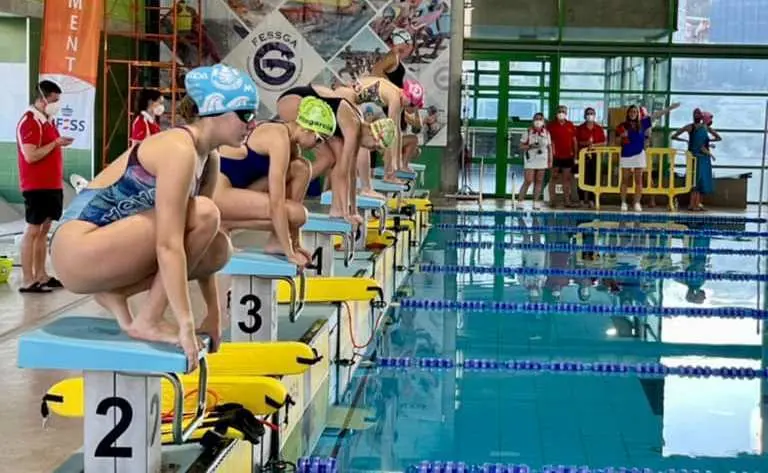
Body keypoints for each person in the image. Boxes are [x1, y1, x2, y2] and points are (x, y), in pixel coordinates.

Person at [50, 63, 259, 368]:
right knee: (204, 214)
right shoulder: (178, 148)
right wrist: (185, 323)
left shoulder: (208, 157)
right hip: (74, 249)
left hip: (109, 247)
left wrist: (213, 315)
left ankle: (117, 293)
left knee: (218, 248)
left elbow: (200, 239)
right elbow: (169, 244)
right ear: (218, 112)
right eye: (247, 114)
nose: (252, 124)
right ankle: (148, 319)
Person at [215, 96, 337, 267]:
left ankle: (277, 242)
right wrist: (290, 254)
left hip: (240, 188)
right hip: (219, 195)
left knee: (301, 167)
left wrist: (296, 244)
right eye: (319, 139)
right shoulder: (278, 138)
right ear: (307, 129)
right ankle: (223, 223)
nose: (318, 145)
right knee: (297, 214)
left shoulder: (291, 144)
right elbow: (277, 202)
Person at [276, 84, 397, 225]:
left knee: (331, 159)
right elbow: (343, 171)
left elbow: (351, 173)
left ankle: (336, 210)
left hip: (306, 101)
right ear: (373, 135)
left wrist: (354, 211)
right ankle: (285, 189)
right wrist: (348, 213)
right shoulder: (353, 125)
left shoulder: (355, 131)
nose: (371, 150)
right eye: (375, 147)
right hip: (294, 101)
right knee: (333, 159)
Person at [16, 80, 72, 293]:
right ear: (41, 98)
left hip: (51, 184)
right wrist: (55, 144)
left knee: (44, 229)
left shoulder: (48, 121)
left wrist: (57, 142)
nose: (57, 104)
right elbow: (30, 156)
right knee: (33, 230)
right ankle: (28, 279)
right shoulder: (29, 122)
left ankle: (41, 275)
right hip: (36, 185)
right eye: (54, 100)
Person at [332, 76, 424, 184]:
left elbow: (397, 131)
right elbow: (392, 134)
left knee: (362, 139)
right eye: (414, 106)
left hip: (346, 96)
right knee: (362, 140)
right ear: (409, 100)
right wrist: (392, 166)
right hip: (346, 97)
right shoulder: (395, 99)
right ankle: (370, 183)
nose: (413, 109)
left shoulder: (398, 95)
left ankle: (371, 180)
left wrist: (398, 164)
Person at [616, 102, 680, 212]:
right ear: (628, 113)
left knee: (638, 180)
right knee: (625, 179)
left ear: (638, 114)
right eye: (631, 112)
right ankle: (623, 202)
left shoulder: (643, 123)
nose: (633, 113)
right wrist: (622, 137)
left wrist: (670, 108)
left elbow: (657, 115)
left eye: (635, 112)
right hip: (626, 154)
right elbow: (616, 142)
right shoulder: (622, 126)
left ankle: (637, 202)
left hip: (639, 154)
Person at [671, 108, 721, 211]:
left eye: (699, 113)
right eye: (695, 113)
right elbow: (674, 136)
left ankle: (697, 204)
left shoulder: (705, 127)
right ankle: (692, 204)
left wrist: (708, 142)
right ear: (693, 115)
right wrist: (685, 140)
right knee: (694, 181)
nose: (697, 115)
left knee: (701, 181)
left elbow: (718, 138)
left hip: (704, 158)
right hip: (694, 157)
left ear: (702, 116)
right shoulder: (690, 127)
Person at [517, 112, 552, 210]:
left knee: (539, 181)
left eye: (540, 119)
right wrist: (530, 146)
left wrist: (550, 160)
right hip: (530, 159)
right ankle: (520, 200)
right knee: (528, 180)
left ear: (543, 121)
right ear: (533, 121)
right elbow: (520, 146)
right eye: (536, 119)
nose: (538, 121)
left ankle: (536, 202)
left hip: (542, 159)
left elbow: (549, 147)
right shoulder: (528, 132)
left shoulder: (547, 133)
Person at [546, 105, 578, 208]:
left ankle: (567, 201)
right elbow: (547, 141)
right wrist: (550, 155)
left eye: (563, 111)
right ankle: (552, 200)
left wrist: (575, 154)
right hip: (555, 156)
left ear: (566, 113)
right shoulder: (551, 126)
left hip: (568, 156)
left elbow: (574, 141)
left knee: (566, 179)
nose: (561, 113)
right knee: (553, 177)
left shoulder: (570, 125)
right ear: (556, 113)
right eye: (560, 111)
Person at [575, 107, 607, 208]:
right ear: (585, 116)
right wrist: (586, 144)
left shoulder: (599, 128)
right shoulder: (579, 128)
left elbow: (604, 143)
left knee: (594, 178)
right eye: (588, 113)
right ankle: (581, 200)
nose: (590, 115)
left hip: (595, 157)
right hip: (583, 157)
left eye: (592, 113)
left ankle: (591, 200)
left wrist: (593, 146)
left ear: (595, 115)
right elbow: (577, 142)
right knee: (582, 178)